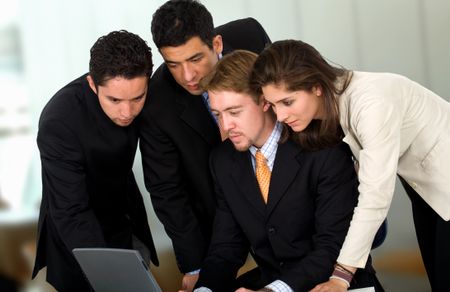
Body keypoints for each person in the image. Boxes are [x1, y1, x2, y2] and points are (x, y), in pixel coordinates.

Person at [250, 39, 450, 292]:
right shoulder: (332, 104)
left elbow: (375, 197)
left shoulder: (371, 104)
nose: (280, 116)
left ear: (316, 86)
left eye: (288, 102)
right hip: (425, 186)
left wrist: (341, 276)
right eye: (273, 105)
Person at [190, 50, 382, 292]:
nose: (225, 126)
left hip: (334, 283)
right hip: (270, 281)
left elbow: (332, 246)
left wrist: (274, 291)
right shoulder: (223, 160)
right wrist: (204, 290)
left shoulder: (323, 147)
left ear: (264, 101)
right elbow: (225, 247)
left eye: (234, 112)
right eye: (218, 114)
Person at [139, 0, 271, 290]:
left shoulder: (251, 38)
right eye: (174, 64)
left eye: (195, 59)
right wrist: (195, 264)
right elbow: (166, 190)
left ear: (217, 43)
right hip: (219, 211)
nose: (188, 76)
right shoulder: (157, 104)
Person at [32, 30, 158, 291]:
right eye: (114, 100)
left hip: (123, 217)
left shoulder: (146, 91)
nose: (127, 112)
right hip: (75, 232)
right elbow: (71, 212)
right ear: (92, 84)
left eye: (137, 98)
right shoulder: (59, 121)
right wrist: (111, 274)